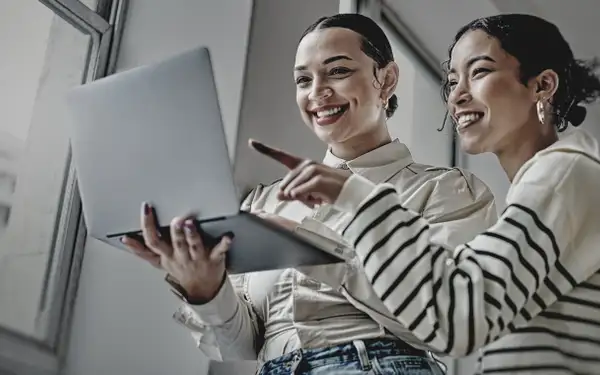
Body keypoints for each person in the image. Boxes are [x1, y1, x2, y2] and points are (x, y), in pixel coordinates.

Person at [123, 14, 497, 374]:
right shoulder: (262, 203)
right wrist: (204, 287)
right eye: (303, 79)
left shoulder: (444, 191)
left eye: (338, 71)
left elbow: (448, 322)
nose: (317, 92)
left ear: (386, 79)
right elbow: (240, 347)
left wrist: (307, 248)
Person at [251, 14, 600, 375]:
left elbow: (456, 319)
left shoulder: (565, 171)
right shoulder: (548, 185)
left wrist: (355, 199)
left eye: (478, 72)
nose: (457, 96)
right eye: (452, 81)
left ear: (542, 85)